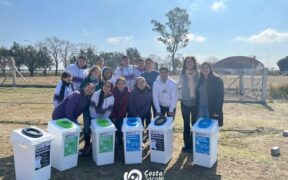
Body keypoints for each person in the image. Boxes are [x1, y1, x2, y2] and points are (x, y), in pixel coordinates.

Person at [79, 66, 104, 156]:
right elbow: (81, 90)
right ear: (91, 72)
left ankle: (95, 145)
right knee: (86, 128)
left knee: (96, 127)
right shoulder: (86, 81)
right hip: (86, 108)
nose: (96, 73)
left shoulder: (101, 82)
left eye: (98, 72)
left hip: (97, 109)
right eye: (94, 71)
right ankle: (87, 144)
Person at [177, 56, 199, 153]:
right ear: (185, 64)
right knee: (186, 124)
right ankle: (187, 145)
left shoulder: (198, 74)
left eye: (191, 62)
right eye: (187, 62)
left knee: (194, 124)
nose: (189, 64)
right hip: (185, 102)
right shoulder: (182, 75)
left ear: (194, 63)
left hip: (195, 102)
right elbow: (176, 85)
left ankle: (194, 145)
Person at [195, 62, 224, 126]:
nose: (205, 69)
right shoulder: (200, 80)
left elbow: (220, 97)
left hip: (211, 108)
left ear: (210, 69)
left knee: (210, 128)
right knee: (201, 127)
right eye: (203, 68)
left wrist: (217, 110)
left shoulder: (217, 80)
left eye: (207, 67)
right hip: (200, 108)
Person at [110, 77, 130, 147]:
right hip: (113, 114)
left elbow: (126, 105)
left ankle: (120, 137)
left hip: (122, 114)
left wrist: (121, 115)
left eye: (122, 84)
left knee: (120, 127)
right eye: (119, 84)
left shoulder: (128, 92)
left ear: (125, 84)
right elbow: (111, 106)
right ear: (116, 84)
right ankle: (115, 137)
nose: (121, 85)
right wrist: (114, 115)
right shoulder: (112, 92)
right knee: (114, 126)